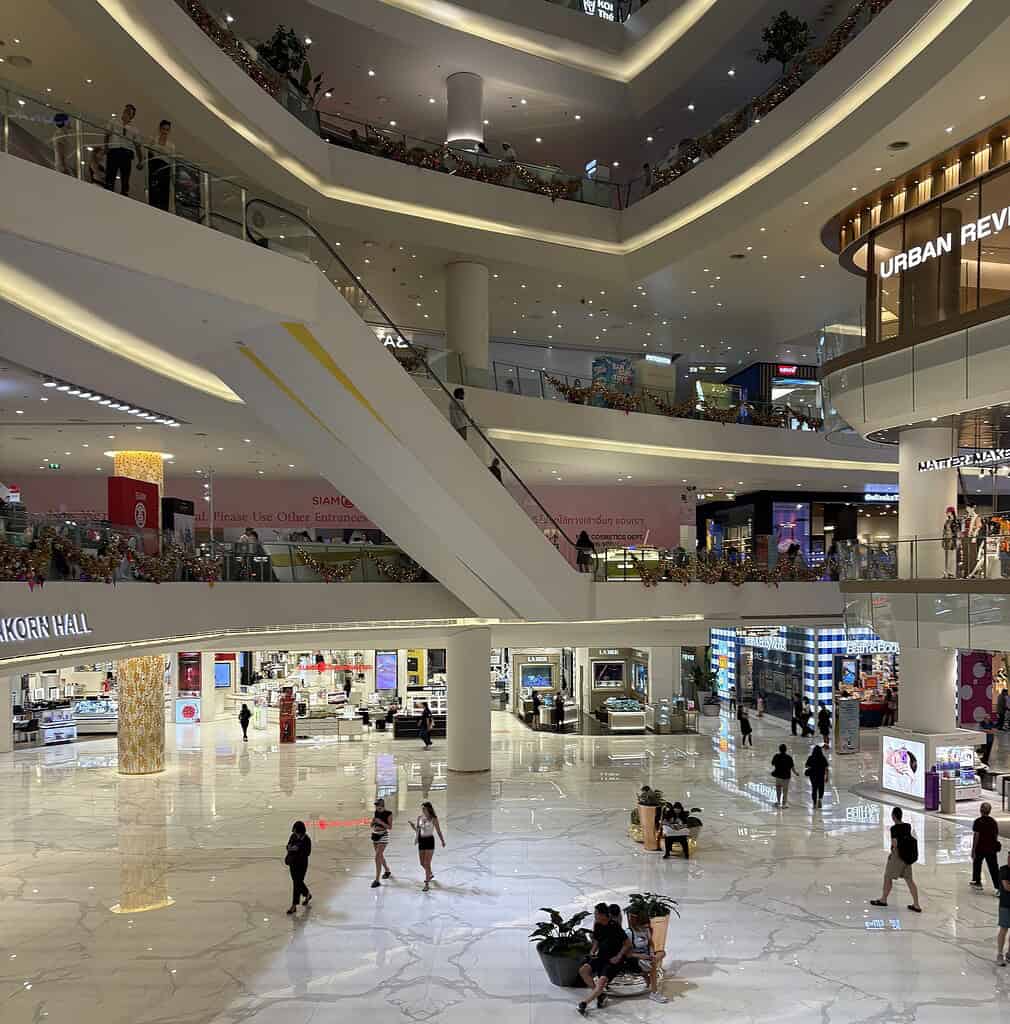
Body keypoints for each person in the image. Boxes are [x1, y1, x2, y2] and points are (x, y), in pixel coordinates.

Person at [577, 903, 630, 1015]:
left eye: (596, 913)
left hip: (612, 960)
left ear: (603, 915)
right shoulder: (597, 925)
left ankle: (584, 1003)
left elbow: (627, 944)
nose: (595, 915)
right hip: (600, 956)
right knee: (583, 970)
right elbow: (596, 941)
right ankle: (600, 995)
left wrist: (618, 956)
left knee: (601, 983)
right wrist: (592, 951)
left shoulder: (615, 926)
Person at [871, 807, 922, 912]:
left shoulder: (894, 829)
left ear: (893, 816)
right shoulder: (907, 826)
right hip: (907, 857)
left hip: (898, 857)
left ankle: (883, 899)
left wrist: (892, 854)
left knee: (887, 877)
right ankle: (916, 904)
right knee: (909, 880)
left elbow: (895, 844)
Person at [625, 908, 668, 1003]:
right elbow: (628, 954)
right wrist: (645, 957)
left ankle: (650, 968)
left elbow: (650, 944)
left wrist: (652, 954)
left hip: (647, 956)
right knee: (652, 965)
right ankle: (654, 992)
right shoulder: (629, 933)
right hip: (635, 958)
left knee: (662, 953)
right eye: (644, 925)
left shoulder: (646, 930)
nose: (646, 927)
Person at [104, 103, 143, 194]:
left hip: (126, 154)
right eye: (125, 110)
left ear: (132, 116)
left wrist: (140, 160)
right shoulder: (113, 122)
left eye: (129, 112)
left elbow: (137, 146)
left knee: (125, 177)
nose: (126, 113)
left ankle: (124, 194)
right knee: (110, 175)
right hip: (114, 151)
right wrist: (106, 147)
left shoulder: (135, 129)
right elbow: (107, 135)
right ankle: (108, 192)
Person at [409, 801, 445, 891]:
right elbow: (418, 831)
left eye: (424, 808)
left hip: (429, 840)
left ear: (429, 809)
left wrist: (442, 841)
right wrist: (413, 826)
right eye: (422, 808)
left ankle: (427, 884)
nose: (423, 810)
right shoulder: (419, 818)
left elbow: (438, 831)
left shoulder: (434, 818)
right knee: (422, 862)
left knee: (427, 863)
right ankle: (430, 873)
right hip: (421, 841)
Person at [971, 801, 1001, 892]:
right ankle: (998, 887)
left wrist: (973, 849)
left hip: (980, 847)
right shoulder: (993, 822)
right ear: (989, 811)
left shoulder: (978, 821)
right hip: (991, 848)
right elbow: (995, 835)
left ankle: (977, 882)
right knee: (993, 867)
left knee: (977, 863)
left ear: (980, 810)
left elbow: (976, 836)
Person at [284, 820, 312, 914]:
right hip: (293, 863)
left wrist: (298, 849)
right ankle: (307, 894)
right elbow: (288, 845)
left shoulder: (306, 839)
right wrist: (290, 847)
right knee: (298, 882)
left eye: (296, 831)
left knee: (297, 883)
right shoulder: (293, 836)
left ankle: (294, 905)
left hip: (301, 864)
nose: (294, 833)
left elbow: (307, 853)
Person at [148, 119, 174, 210]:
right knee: (154, 188)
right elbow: (149, 153)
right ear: (160, 129)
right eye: (164, 129)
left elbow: (171, 160)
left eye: (167, 130)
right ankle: (152, 206)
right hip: (154, 166)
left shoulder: (171, 145)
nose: (165, 131)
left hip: (165, 168)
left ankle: (163, 208)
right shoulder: (153, 139)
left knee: (163, 190)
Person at [370, 798, 393, 888]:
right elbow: (373, 824)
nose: (376, 807)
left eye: (378, 805)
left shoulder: (389, 813)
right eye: (376, 806)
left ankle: (377, 880)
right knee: (380, 856)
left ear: (382, 805)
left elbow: (390, 827)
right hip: (375, 834)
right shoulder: (376, 812)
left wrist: (381, 822)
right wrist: (372, 823)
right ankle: (387, 870)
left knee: (377, 857)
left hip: (383, 835)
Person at [771, 743, 798, 808]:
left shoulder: (776, 756)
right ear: (786, 750)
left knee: (778, 789)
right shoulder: (789, 757)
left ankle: (778, 802)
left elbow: (772, 763)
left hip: (778, 775)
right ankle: (784, 804)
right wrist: (796, 773)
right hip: (786, 776)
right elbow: (792, 767)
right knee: (785, 790)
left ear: (779, 749)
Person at [805, 743, 829, 807]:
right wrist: (827, 776)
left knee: (814, 788)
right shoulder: (822, 758)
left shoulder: (811, 757)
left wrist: (811, 767)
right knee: (821, 788)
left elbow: (806, 766)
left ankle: (814, 802)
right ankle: (820, 799)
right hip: (821, 775)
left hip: (813, 776)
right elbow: (826, 768)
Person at [998, 848, 1010, 964]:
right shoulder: (1004, 870)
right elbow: (1007, 887)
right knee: (1004, 929)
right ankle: (1000, 953)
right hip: (1006, 905)